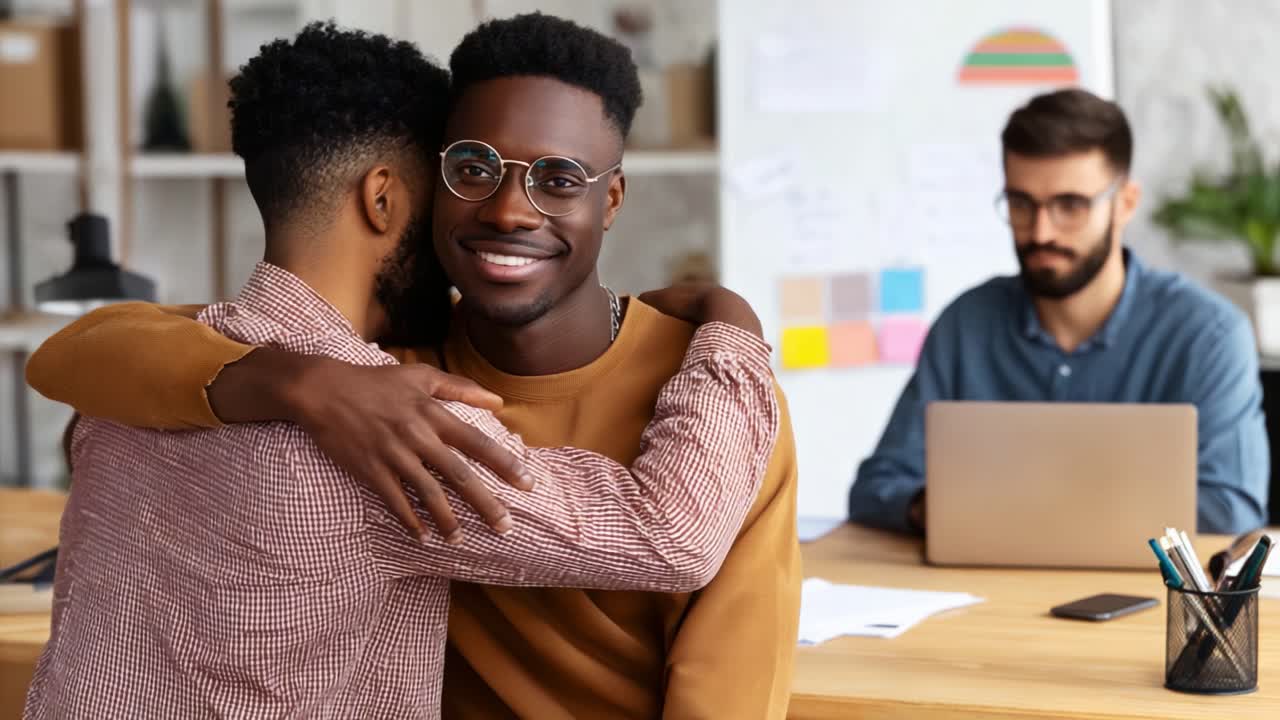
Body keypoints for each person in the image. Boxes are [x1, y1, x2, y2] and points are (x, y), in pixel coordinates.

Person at [27, 13, 801, 719]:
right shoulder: (385, 394)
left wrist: (298, 380)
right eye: (468, 172)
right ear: (395, 197)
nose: (506, 210)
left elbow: (87, 354)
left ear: (612, 198)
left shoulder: (713, 407)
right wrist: (303, 384)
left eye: (559, 179)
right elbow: (669, 535)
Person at [848, 88, 1268, 536]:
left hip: (1144, 578)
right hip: (982, 577)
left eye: (1070, 206)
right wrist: (933, 507)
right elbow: (877, 488)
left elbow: (1233, 510)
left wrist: (1020, 507)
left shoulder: (1208, 335)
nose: (1041, 232)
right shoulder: (966, 325)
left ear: (1124, 204)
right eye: (1021, 204)